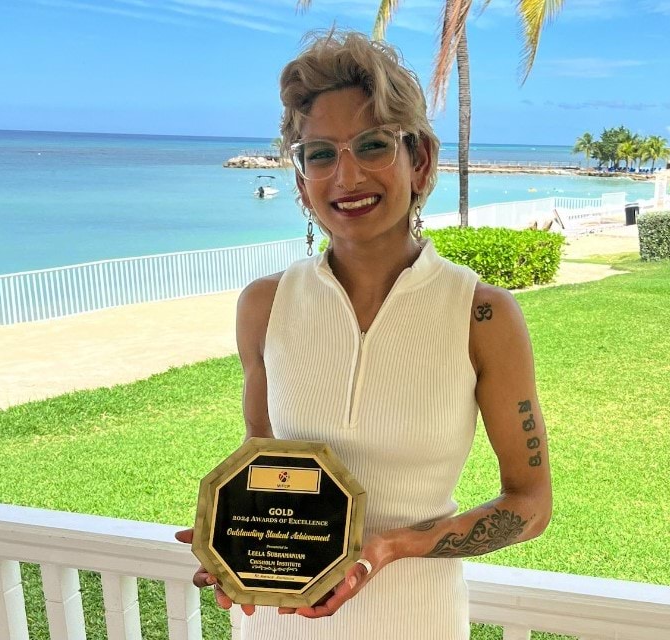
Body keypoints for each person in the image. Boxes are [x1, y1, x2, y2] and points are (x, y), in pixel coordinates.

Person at [175, 29, 552, 639]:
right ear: (301, 182)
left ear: (420, 159)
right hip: (281, 626)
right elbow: (265, 466)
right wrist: (230, 538)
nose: (345, 175)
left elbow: (530, 505)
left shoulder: (482, 315)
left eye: (372, 145)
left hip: (416, 623)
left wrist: (388, 548)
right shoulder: (264, 306)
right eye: (319, 153)